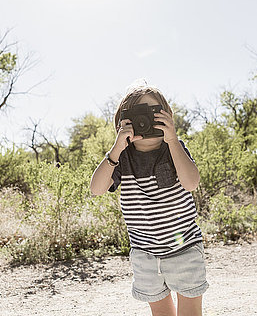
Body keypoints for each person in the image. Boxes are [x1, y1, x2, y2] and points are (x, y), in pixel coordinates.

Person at [90, 83, 209, 316]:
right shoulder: (121, 156)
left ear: (168, 116)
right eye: (138, 115)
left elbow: (191, 183)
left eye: (153, 114)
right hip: (145, 255)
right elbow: (96, 189)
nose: (145, 121)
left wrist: (173, 141)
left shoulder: (174, 148)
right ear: (122, 122)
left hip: (184, 248)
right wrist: (116, 148)